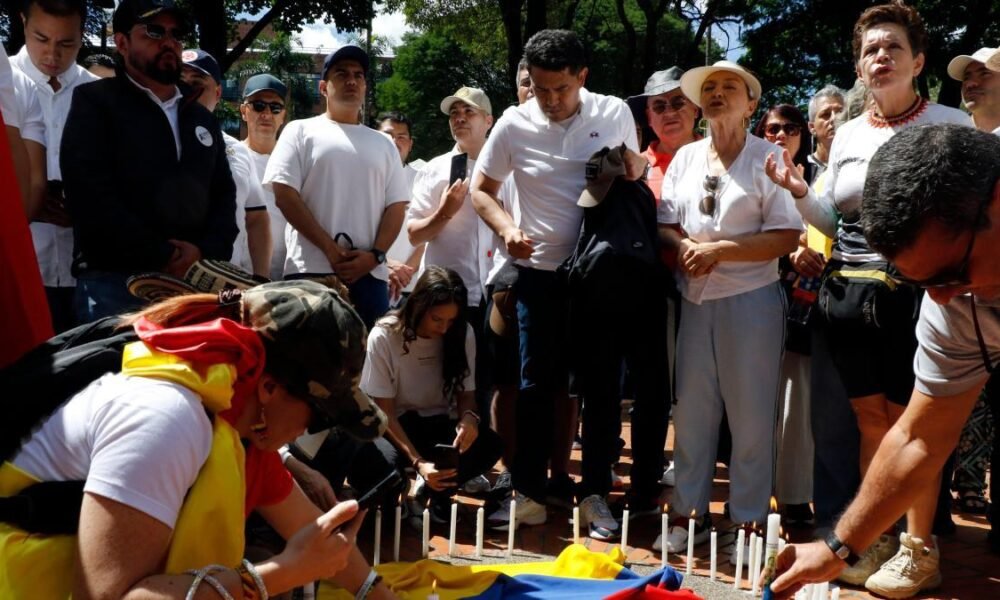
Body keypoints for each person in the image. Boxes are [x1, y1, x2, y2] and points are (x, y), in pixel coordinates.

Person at [0, 280, 393, 599]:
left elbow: (310, 529)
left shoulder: (231, 410)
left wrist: (376, 594)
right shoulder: (166, 418)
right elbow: (104, 597)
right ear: (270, 387)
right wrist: (279, 574)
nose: (310, 432)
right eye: (319, 415)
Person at [765, 3, 969, 595]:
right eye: (870, 50)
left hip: (924, 300)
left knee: (916, 425)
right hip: (851, 298)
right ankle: (875, 537)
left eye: (892, 48)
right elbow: (829, 215)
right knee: (871, 422)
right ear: (859, 67)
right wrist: (802, 193)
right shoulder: (848, 133)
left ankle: (918, 548)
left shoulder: (953, 126)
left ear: (918, 61)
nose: (880, 57)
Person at [770, 123, 1000, 598]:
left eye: (954, 272)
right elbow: (919, 437)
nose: (942, 298)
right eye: (924, 283)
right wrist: (839, 547)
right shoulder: (950, 300)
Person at [472, 29, 642, 535]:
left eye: (560, 90)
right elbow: (481, 191)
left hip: (599, 274)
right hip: (537, 273)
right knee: (532, 386)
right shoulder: (513, 122)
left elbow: (635, 169)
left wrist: (634, 165)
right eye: (540, 89)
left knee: (601, 387)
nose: (549, 100)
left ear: (582, 78)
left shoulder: (613, 112)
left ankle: (594, 495)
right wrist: (507, 230)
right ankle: (528, 493)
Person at [656, 60, 801, 554]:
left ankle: (748, 522)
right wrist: (684, 248)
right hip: (694, 299)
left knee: (752, 415)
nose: (717, 95)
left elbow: (786, 235)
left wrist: (720, 251)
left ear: (751, 102)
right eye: (709, 88)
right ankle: (687, 515)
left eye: (729, 87)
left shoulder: (768, 157)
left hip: (751, 300)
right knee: (692, 411)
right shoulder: (686, 158)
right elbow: (666, 222)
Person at [60, 0, 237, 323]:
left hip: (191, 290)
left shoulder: (201, 117)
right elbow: (89, 195)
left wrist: (202, 254)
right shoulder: (96, 103)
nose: (169, 41)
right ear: (122, 42)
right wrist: (163, 255)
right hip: (113, 288)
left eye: (177, 33)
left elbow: (223, 196)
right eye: (154, 31)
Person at [263, 45, 408, 329]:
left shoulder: (384, 144)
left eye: (358, 75)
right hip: (309, 271)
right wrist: (329, 249)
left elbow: (397, 206)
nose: (352, 80)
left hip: (370, 276)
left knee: (368, 368)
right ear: (323, 87)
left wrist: (375, 256)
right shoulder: (299, 130)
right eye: (341, 74)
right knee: (308, 368)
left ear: (365, 86)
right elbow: (284, 194)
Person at [361, 266, 504, 521]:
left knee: (487, 445)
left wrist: (469, 418)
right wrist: (418, 463)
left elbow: (466, 394)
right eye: (437, 319)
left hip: (437, 424)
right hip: (395, 425)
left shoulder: (462, 333)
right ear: (418, 306)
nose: (444, 328)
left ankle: (436, 494)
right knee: (382, 462)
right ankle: (398, 489)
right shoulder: (384, 335)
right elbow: (385, 412)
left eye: (451, 321)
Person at [408, 86, 497, 426]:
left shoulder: (507, 166)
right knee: (443, 379)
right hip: (447, 296)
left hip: (493, 292)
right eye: (454, 113)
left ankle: (477, 461)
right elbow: (415, 233)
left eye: (469, 112)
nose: (459, 118)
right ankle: (440, 456)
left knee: (485, 380)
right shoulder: (435, 169)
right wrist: (445, 212)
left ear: (488, 120)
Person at [12, 0, 99, 333]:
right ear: (23, 23)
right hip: (20, 267)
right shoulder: (6, 86)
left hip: (86, 271)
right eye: (41, 38)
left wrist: (84, 208)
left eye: (66, 44)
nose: (52, 54)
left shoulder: (98, 94)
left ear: (81, 36)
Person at [945, 46, 999, 520]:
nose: (973, 81)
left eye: (986, 73)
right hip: (962, 312)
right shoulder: (959, 146)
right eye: (969, 75)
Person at [181, 50, 272, 278]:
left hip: (222, 283)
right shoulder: (149, 140)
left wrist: (260, 278)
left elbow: (257, 218)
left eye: (197, 82)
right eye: (179, 82)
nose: (187, 90)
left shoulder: (237, 150)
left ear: (218, 92)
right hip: (162, 280)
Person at [239, 73, 289, 282]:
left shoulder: (297, 163)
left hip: (287, 281)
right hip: (235, 278)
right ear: (244, 111)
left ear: (283, 115)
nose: (267, 114)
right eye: (258, 105)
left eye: (275, 107)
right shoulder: (229, 158)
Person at [378, 111, 424, 305]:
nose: (394, 142)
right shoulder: (361, 179)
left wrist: (405, 272)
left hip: (411, 287)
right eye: (387, 135)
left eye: (401, 137)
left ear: (411, 144)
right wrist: (384, 265)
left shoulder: (423, 179)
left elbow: (430, 235)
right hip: (372, 277)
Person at [806, 85, 845, 183]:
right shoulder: (802, 168)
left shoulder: (858, 163)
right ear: (812, 127)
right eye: (825, 114)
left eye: (840, 112)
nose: (834, 118)